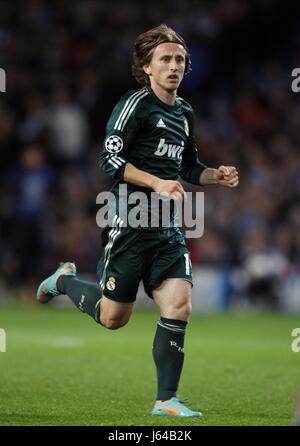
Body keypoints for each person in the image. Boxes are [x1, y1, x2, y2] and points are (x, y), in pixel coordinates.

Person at [37, 24, 239, 417]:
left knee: (179, 305)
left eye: (180, 59)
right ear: (146, 66)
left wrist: (216, 175)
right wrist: (155, 182)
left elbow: (187, 167)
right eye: (165, 59)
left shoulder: (184, 113)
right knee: (114, 318)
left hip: (166, 228)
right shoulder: (135, 106)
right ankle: (63, 280)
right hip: (128, 223)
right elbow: (109, 160)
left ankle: (166, 400)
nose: (174, 65)